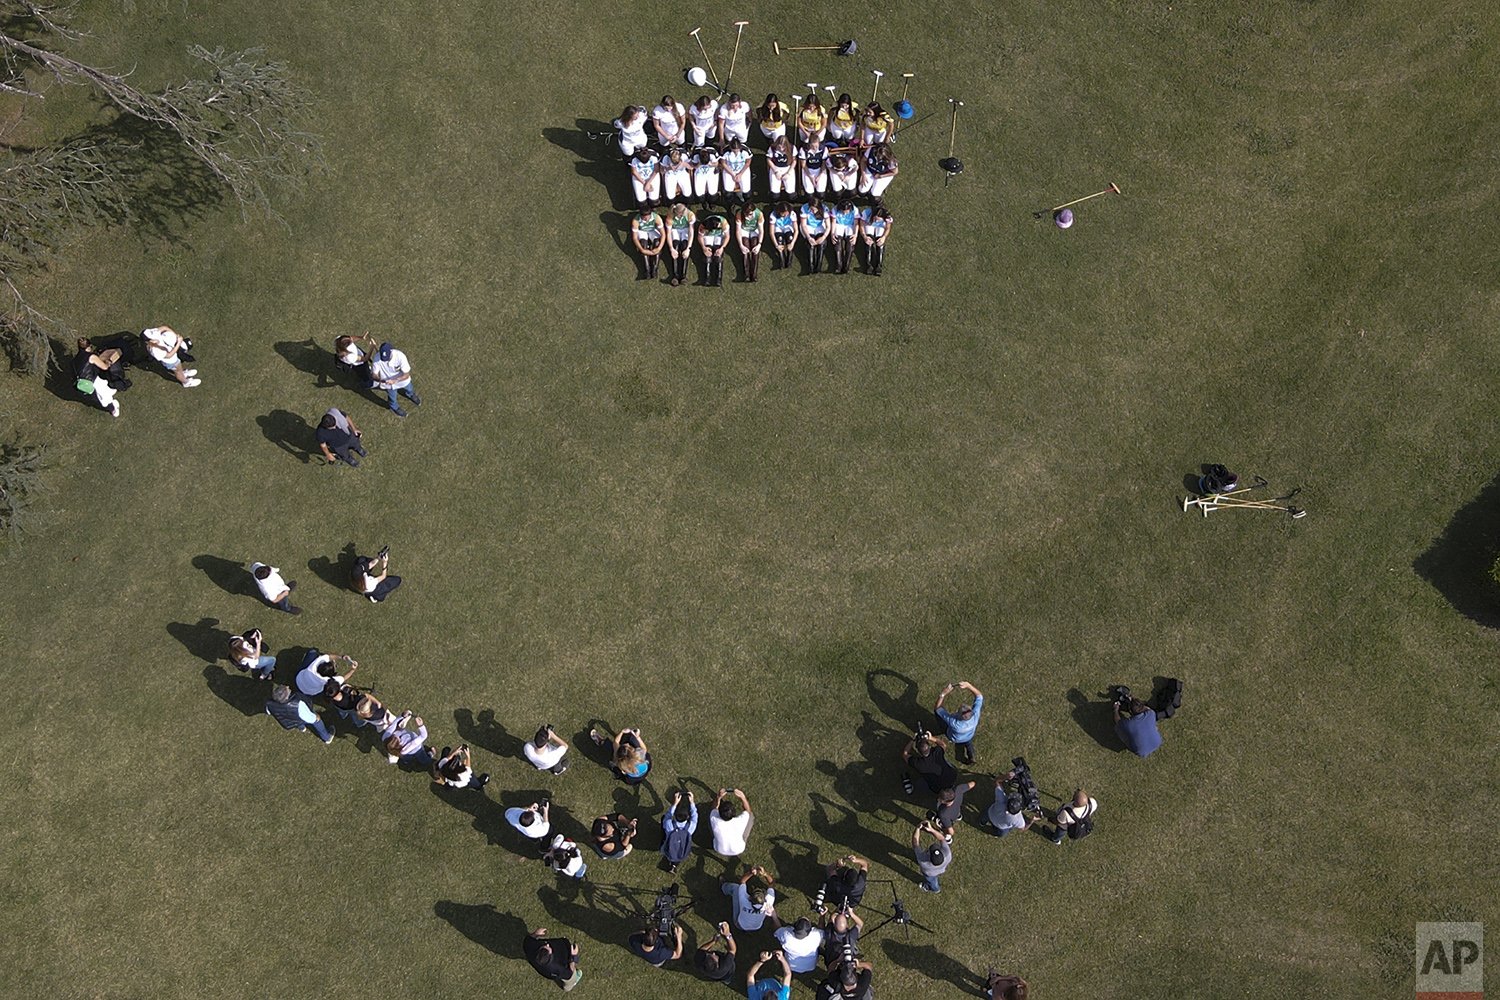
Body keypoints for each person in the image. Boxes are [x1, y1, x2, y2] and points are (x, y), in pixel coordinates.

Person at [264, 684, 333, 744]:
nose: (288, 687)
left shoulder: (269, 704)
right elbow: (311, 719)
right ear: (286, 696)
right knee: (317, 722)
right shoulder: (298, 705)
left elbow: (269, 712)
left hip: (290, 721)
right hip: (300, 717)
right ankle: (326, 737)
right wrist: (316, 717)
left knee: (297, 722)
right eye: (286, 689)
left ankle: (302, 728)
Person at [935, 680, 985, 764]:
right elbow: (979, 696)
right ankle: (971, 757)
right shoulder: (975, 716)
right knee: (968, 743)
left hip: (954, 737)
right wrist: (969, 685)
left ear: (959, 715)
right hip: (969, 736)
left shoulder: (954, 722)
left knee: (938, 715)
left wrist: (943, 693)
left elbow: (938, 708)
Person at [73, 339, 125, 416]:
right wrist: (108, 362)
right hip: (90, 382)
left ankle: (109, 392)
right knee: (104, 398)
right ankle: (113, 409)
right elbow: (104, 367)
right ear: (88, 347)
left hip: (80, 381)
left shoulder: (75, 359)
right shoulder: (91, 357)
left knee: (102, 386)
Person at [368, 341, 420, 416]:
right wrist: (382, 380)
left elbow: (406, 374)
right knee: (392, 398)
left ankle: (411, 395)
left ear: (391, 351)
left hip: (402, 380)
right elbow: (374, 375)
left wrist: (395, 380)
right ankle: (395, 407)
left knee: (409, 388)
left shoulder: (400, 356)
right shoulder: (377, 358)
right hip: (388, 384)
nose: (385, 360)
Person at [721, 864, 777, 932]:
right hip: (757, 927)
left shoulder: (744, 900)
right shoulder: (769, 902)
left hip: (739, 925)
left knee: (736, 888)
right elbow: (772, 884)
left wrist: (751, 872)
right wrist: (765, 874)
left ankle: (723, 887)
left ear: (750, 898)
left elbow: (742, 881)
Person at [525, 927, 582, 992]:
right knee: (570, 979)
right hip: (560, 972)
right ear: (550, 957)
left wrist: (535, 934)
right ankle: (569, 986)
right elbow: (569, 973)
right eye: (548, 949)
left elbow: (529, 939)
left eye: (545, 947)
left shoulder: (529, 946)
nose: (547, 944)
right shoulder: (555, 967)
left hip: (545, 969)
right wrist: (574, 956)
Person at [983, 772, 1039, 838]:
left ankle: (982, 822)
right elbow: (1023, 829)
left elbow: (997, 781)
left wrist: (1006, 776)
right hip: (1001, 827)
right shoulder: (1017, 820)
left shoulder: (1001, 801)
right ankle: (996, 834)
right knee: (1002, 834)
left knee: (984, 817)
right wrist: (1032, 820)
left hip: (990, 814)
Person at [709, 787, 754, 857]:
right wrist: (743, 797)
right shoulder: (740, 821)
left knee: (710, 817)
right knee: (750, 816)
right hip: (739, 849)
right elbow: (748, 811)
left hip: (719, 849)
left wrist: (718, 797)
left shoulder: (714, 819)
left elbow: (714, 808)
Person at [660, 789, 698, 873]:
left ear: (675, 815)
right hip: (681, 851)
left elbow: (668, 815)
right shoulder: (691, 827)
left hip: (666, 849)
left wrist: (675, 803)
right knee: (677, 851)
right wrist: (692, 802)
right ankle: (674, 865)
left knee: (663, 819)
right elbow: (695, 815)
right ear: (688, 816)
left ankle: (672, 862)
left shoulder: (669, 825)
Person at [913, 817, 952, 892]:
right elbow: (942, 839)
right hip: (940, 869)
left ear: (929, 858)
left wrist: (918, 828)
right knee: (933, 879)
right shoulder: (947, 855)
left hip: (930, 874)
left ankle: (935, 889)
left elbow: (915, 844)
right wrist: (931, 830)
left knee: (932, 881)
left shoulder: (923, 862)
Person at [664, 202, 696, 287]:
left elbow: (691, 232)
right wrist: (671, 249)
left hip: (685, 230)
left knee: (684, 247)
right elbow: (668, 233)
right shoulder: (670, 217)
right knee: (676, 246)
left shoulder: (690, 215)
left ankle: (683, 276)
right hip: (675, 230)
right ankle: (675, 276)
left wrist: (688, 248)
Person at [629, 207, 664, 280]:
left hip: (653, 230)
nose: (646, 219)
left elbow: (663, 234)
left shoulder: (657, 218)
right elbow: (635, 238)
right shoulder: (636, 220)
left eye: (647, 217)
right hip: (642, 231)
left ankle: (655, 269)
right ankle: (647, 270)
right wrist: (642, 249)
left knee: (657, 243)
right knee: (643, 244)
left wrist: (659, 248)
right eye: (644, 218)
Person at [858, 203, 893, 275]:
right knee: (869, 242)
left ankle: (878, 266)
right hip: (869, 225)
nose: (877, 221)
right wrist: (865, 237)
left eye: (879, 219)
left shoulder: (887, 216)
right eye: (875, 218)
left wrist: (884, 237)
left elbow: (887, 228)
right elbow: (861, 225)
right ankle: (868, 265)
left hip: (880, 228)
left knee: (880, 243)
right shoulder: (866, 213)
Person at [697, 212, 730, 287]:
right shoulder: (703, 225)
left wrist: (722, 248)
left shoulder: (724, 223)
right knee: (707, 256)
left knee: (718, 255)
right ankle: (707, 278)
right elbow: (700, 236)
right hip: (708, 237)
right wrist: (704, 248)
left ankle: (718, 279)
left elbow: (727, 236)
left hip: (719, 236)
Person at [799, 197, 830, 274]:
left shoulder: (825, 209)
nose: (813, 211)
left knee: (821, 244)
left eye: (814, 209)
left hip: (820, 226)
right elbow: (804, 225)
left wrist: (823, 237)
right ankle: (810, 267)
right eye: (811, 209)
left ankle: (818, 266)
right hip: (808, 226)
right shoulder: (804, 208)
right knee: (810, 245)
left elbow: (828, 226)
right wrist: (809, 237)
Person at [735, 203, 763, 283]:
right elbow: (738, 231)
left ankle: (754, 275)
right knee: (745, 249)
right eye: (746, 214)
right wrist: (741, 245)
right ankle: (746, 275)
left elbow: (761, 230)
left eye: (750, 214)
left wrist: (759, 244)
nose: (748, 216)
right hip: (744, 230)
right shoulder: (739, 214)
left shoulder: (759, 214)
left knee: (755, 249)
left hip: (754, 230)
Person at [828, 199, 858, 274]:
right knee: (837, 241)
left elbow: (856, 224)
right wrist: (832, 234)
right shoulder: (835, 209)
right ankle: (839, 264)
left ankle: (846, 265)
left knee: (850, 242)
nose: (845, 213)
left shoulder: (855, 210)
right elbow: (833, 222)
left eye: (846, 211)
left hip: (850, 225)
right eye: (843, 211)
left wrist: (855, 235)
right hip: (839, 225)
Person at [720, 137, 753, 203]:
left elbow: (748, 162)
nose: (735, 152)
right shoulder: (725, 151)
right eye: (733, 150)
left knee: (747, 192)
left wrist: (740, 174)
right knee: (728, 191)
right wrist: (732, 174)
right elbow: (723, 163)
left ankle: (747, 203)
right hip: (729, 170)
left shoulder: (745, 150)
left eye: (737, 150)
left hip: (743, 170)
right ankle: (730, 203)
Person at [769, 202, 799, 269]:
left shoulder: (792, 214)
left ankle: (789, 261)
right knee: (779, 240)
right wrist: (777, 245)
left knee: (790, 239)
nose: (785, 215)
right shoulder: (773, 215)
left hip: (788, 227)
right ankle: (781, 260)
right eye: (783, 213)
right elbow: (771, 232)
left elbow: (796, 230)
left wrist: (792, 243)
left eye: (786, 213)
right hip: (778, 228)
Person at [691, 144, 721, 210]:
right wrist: (698, 164)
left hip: (711, 172)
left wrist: (710, 164)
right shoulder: (695, 154)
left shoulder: (713, 153)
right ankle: (703, 201)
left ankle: (711, 202)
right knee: (699, 193)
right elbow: (693, 166)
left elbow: (716, 164)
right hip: (700, 173)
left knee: (712, 191)